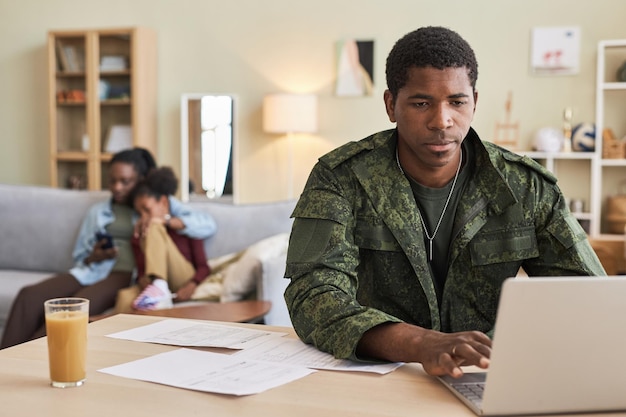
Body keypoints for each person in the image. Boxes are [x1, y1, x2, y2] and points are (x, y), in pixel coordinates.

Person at [283, 26, 605, 378]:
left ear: (475, 102)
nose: (441, 121)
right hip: (382, 376)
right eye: (421, 103)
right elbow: (312, 295)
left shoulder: (525, 186)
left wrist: (502, 350)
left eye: (457, 102)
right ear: (391, 105)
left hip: (490, 373)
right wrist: (420, 344)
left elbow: (589, 299)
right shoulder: (341, 178)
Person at [0, 148, 216, 349]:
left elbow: (206, 224)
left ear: (141, 180)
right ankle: (5, 360)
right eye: (112, 181)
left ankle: (28, 357)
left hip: (124, 274)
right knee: (29, 295)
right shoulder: (98, 212)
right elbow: (80, 256)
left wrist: (165, 220)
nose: (117, 188)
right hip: (93, 270)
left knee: (71, 308)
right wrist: (95, 256)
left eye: (125, 181)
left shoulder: (152, 202)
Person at [114, 166, 210, 313]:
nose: (144, 217)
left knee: (154, 225)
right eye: (139, 213)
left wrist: (192, 284)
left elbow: (203, 266)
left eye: (147, 209)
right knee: (125, 297)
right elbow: (141, 271)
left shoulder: (185, 225)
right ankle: (158, 291)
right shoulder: (139, 232)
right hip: (154, 284)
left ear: (164, 202)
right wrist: (143, 281)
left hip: (182, 276)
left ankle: (160, 287)